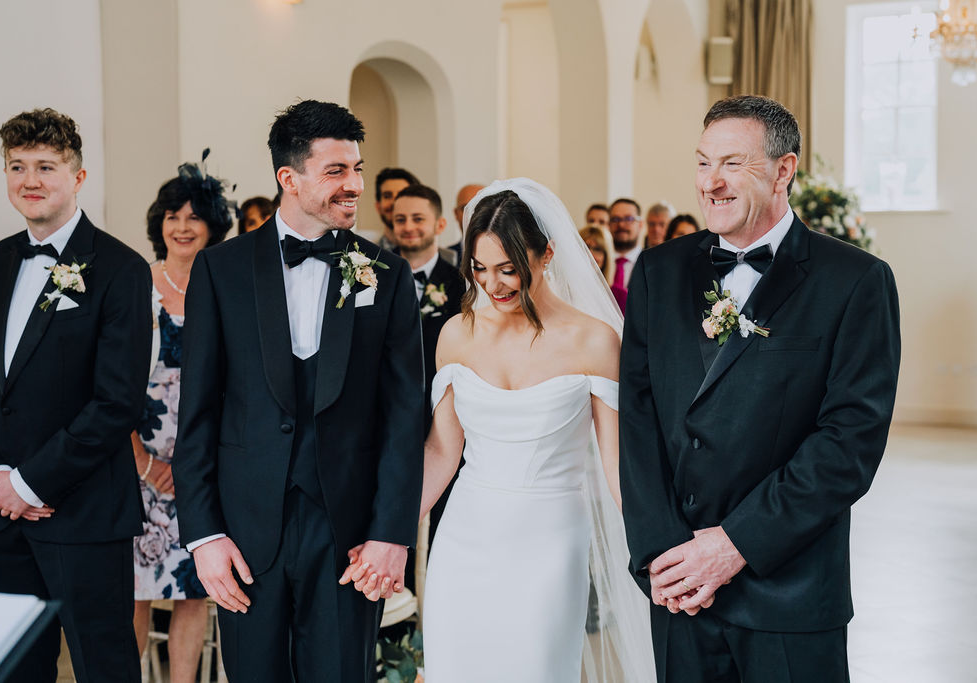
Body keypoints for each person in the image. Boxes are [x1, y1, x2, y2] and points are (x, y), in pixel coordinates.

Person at [620, 95, 901, 683]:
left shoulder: (856, 281)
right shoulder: (658, 271)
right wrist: (661, 555)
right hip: (680, 589)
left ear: (784, 170)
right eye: (702, 163)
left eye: (733, 164)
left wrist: (733, 546)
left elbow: (848, 444)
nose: (711, 182)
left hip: (789, 592)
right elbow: (638, 420)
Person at [172, 100, 424, 682]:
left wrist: (391, 534)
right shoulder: (220, 270)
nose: (355, 184)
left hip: (350, 538)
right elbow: (199, 411)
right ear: (289, 177)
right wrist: (204, 535)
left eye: (357, 169)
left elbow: (405, 415)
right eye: (336, 171)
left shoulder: (385, 276)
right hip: (244, 533)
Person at [386, 178, 654, 682]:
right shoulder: (457, 333)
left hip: (550, 541)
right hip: (464, 538)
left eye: (508, 269)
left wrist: (657, 544)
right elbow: (443, 450)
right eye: (480, 269)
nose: (493, 285)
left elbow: (618, 464)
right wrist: (388, 532)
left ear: (547, 253)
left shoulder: (595, 341)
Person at [0, 108, 151, 681]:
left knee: (104, 667)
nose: (30, 179)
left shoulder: (121, 269)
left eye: (46, 166)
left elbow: (116, 402)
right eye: (17, 166)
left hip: (83, 514)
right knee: (9, 669)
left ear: (78, 177)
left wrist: (31, 482)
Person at [132, 163, 233, 682]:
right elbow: (110, 386)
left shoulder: (226, 290)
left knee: (195, 587)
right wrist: (145, 463)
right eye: (173, 216)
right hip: (137, 460)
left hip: (203, 459)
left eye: (195, 217)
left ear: (214, 225)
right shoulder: (136, 287)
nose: (183, 226)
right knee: (137, 590)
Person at [390, 184, 465, 546]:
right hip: (389, 421)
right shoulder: (370, 278)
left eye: (418, 219)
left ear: (439, 225)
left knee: (444, 526)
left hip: (444, 419)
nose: (408, 226)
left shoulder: (463, 285)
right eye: (400, 219)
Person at [607, 197, 644, 313]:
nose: (621, 225)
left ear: (640, 224)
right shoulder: (596, 262)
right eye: (615, 219)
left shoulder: (652, 263)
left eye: (629, 219)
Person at [373, 167, 419, 250]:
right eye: (387, 196)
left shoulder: (447, 258)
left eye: (402, 195)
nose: (394, 203)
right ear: (378, 206)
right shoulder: (366, 256)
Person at [446, 183, 485, 263]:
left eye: (479, 207)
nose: (472, 215)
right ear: (456, 214)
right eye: (465, 208)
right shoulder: (445, 258)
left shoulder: (508, 253)